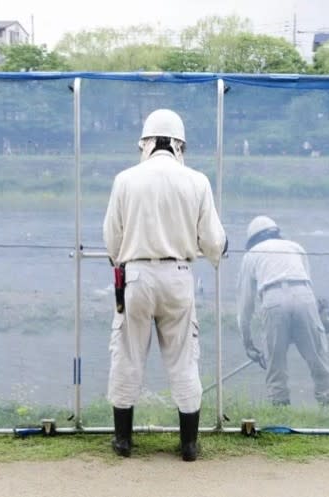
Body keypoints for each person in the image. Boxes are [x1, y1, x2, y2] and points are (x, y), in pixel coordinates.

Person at [102, 108, 227, 461]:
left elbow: (112, 239)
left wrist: (123, 259)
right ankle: (188, 444)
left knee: (127, 355)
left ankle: (123, 441)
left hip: (137, 276)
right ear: (178, 144)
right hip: (179, 277)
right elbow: (213, 241)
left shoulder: (125, 179)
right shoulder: (197, 181)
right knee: (184, 359)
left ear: (146, 142)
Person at [236, 215, 329, 407]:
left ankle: (281, 414)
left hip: (272, 299)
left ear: (252, 240)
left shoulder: (251, 255)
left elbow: (245, 305)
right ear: (277, 233)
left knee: (276, 367)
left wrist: (248, 345)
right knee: (317, 359)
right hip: (304, 298)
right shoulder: (295, 247)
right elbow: (307, 284)